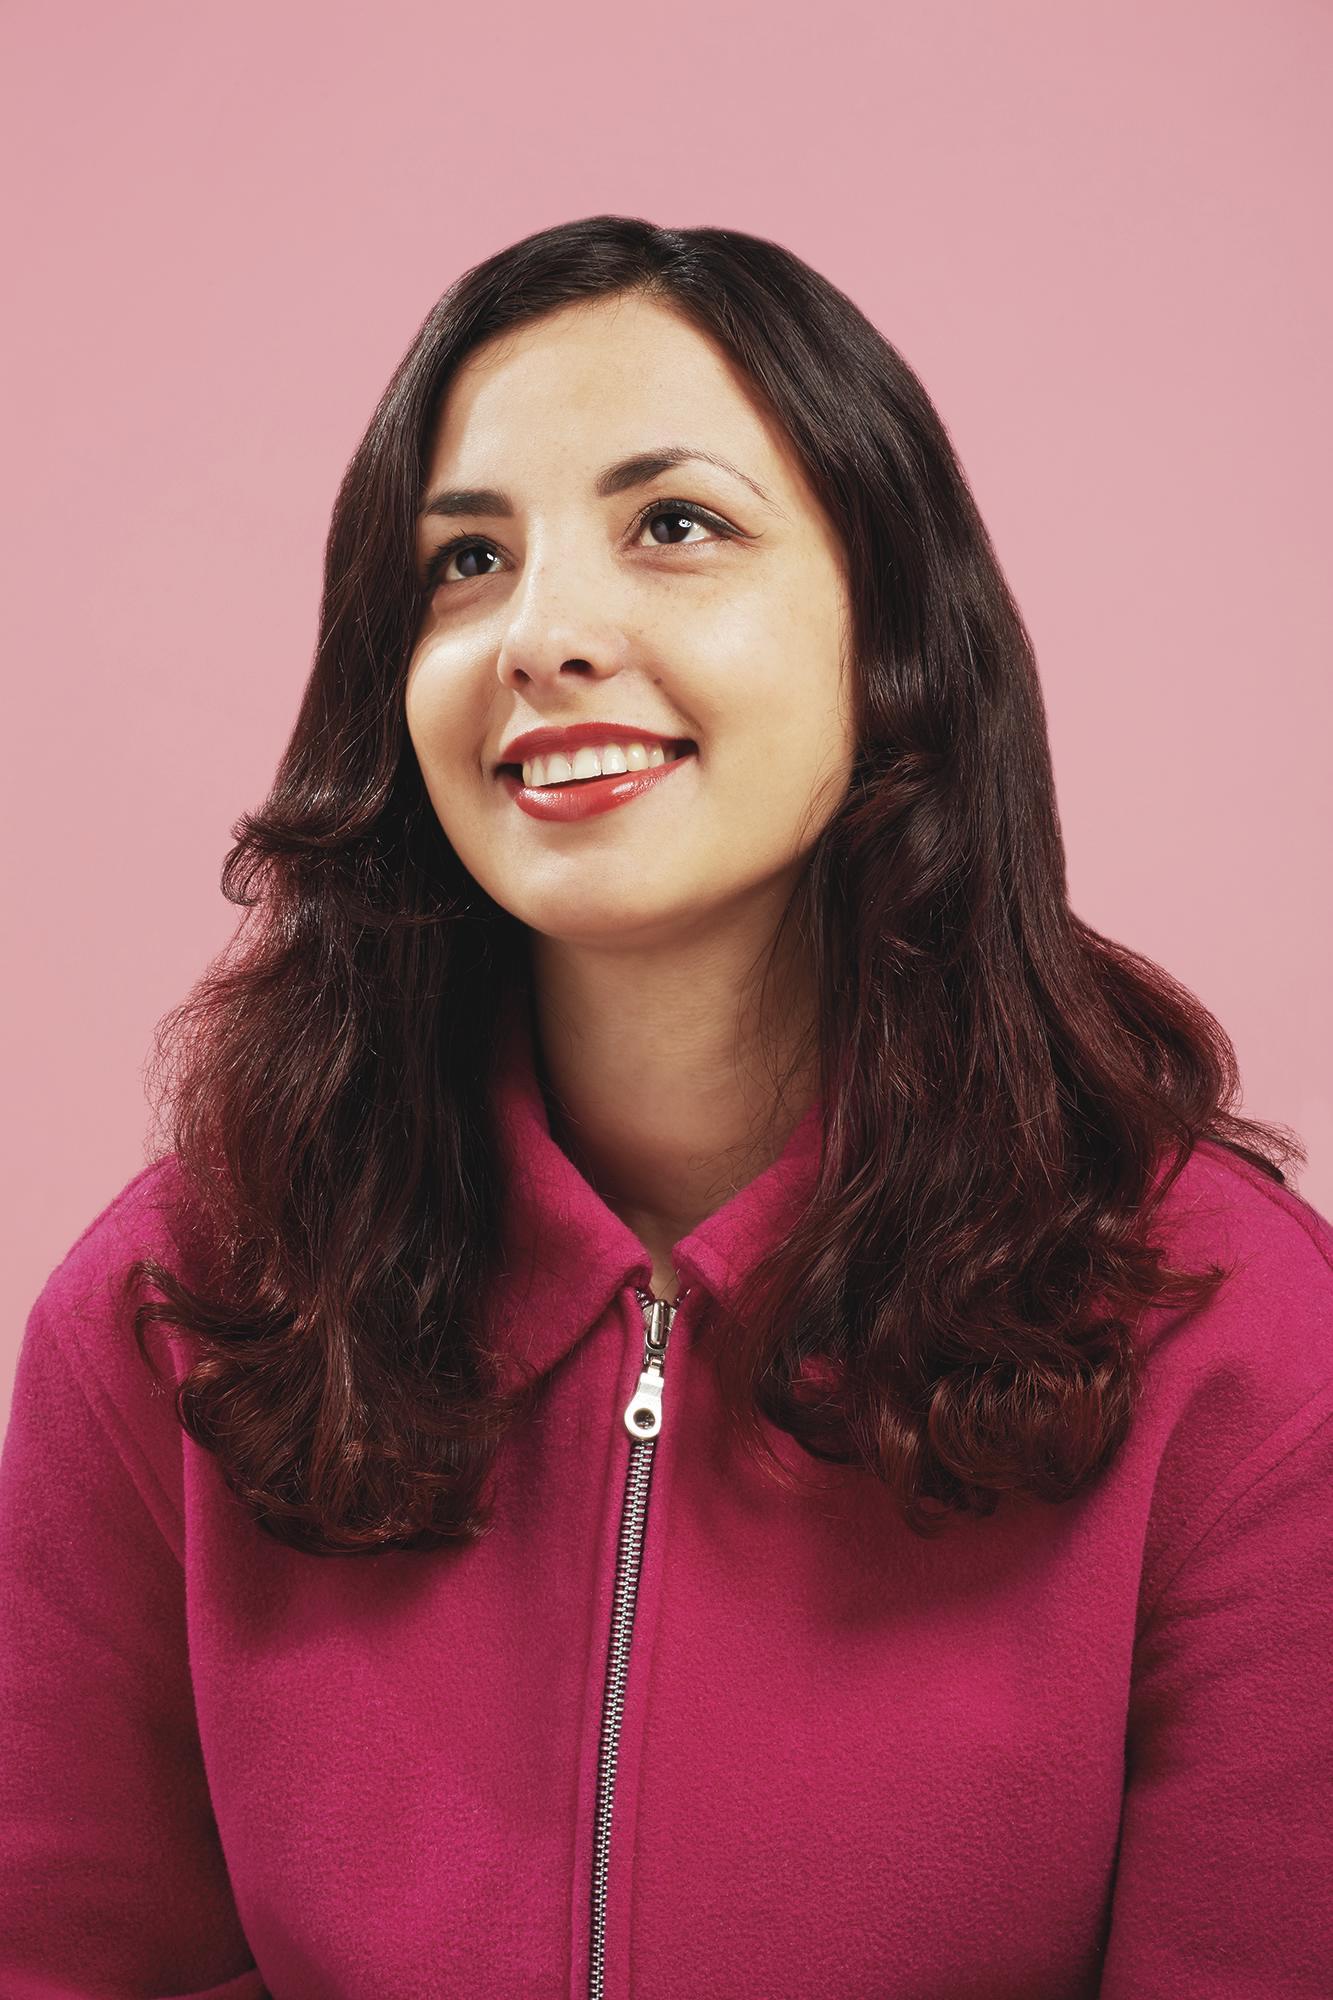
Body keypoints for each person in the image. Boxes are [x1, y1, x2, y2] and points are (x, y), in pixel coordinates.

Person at [1, 214, 1329, 2000]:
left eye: (676, 526)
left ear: (893, 633)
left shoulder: (1231, 1339)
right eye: (463, 562)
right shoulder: (177, 1307)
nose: (541, 633)